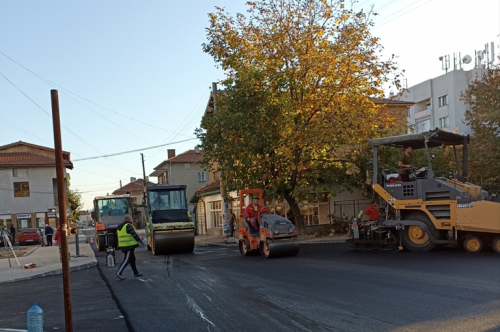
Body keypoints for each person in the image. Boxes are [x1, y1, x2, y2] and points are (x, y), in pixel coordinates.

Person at [116, 214, 144, 280]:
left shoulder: (121, 226)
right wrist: (140, 241)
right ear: (129, 219)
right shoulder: (128, 226)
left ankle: (136, 272)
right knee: (127, 260)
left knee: (132, 259)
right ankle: (119, 272)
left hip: (123, 245)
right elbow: (134, 234)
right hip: (128, 246)